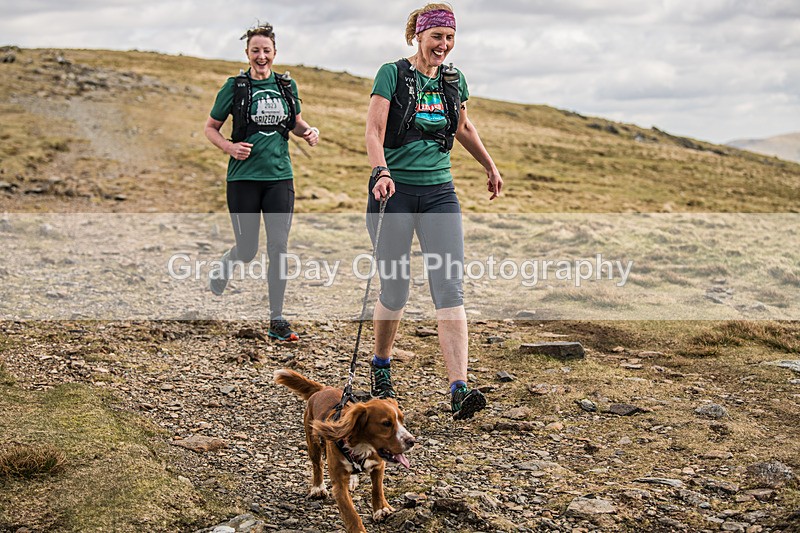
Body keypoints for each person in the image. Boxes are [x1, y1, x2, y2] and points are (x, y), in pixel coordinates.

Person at [364, 4, 503, 419]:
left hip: (440, 194)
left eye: (449, 38)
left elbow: (462, 127)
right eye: (436, 37)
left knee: (449, 288)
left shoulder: (453, 80)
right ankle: (381, 365)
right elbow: (373, 129)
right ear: (418, 36)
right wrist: (380, 171)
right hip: (394, 193)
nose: (443, 45)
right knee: (396, 289)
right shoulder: (391, 73)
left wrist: (489, 165)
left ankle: (459, 388)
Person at [204, 22, 319, 341]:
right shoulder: (235, 87)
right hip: (242, 180)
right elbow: (210, 127)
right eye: (255, 50)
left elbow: (294, 122)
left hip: (279, 178)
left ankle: (277, 319)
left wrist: (309, 131)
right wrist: (229, 147)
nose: (261, 56)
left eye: (266, 50)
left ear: (274, 53)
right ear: (247, 53)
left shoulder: (285, 86)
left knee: (279, 247)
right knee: (247, 249)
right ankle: (226, 264)